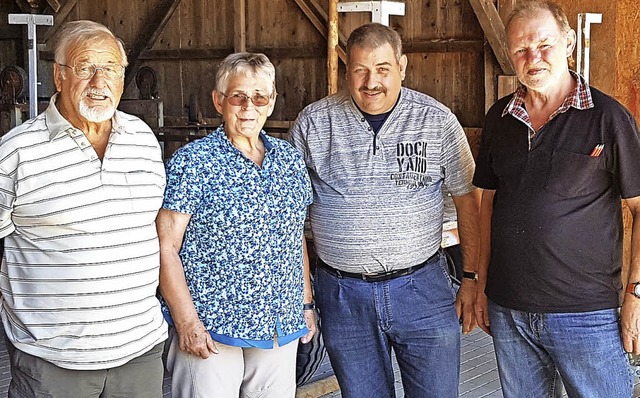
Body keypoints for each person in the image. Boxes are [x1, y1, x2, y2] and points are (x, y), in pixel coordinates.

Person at [289, 23, 481, 398]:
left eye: (382, 68)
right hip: (343, 294)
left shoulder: (435, 120)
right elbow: (290, 219)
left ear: (403, 66)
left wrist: (472, 278)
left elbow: (468, 201)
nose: (370, 81)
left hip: (422, 289)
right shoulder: (313, 123)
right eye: (360, 69)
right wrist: (305, 298)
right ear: (347, 72)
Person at [473, 1, 640, 397]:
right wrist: (480, 284)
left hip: (586, 314)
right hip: (509, 309)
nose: (533, 58)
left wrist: (636, 295)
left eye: (544, 44)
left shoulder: (609, 118)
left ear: (568, 41)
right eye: (520, 49)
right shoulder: (500, 118)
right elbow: (487, 205)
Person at [0, 20, 167, 397]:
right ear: (59, 76)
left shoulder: (142, 139)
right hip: (52, 361)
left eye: (110, 68)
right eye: (85, 68)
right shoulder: (17, 152)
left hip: (139, 351)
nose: (99, 81)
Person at [157, 52, 316, 398]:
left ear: (271, 102)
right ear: (219, 101)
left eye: (259, 97)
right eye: (238, 97)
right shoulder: (193, 162)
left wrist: (306, 305)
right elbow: (165, 247)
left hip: (279, 322)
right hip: (211, 328)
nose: (249, 107)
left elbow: (295, 239)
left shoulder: (289, 160)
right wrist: (186, 324)